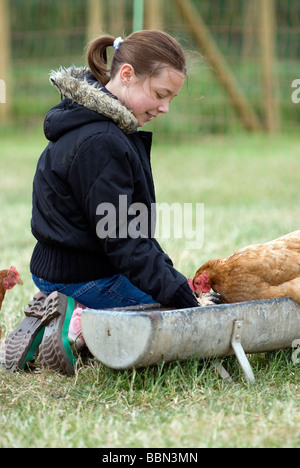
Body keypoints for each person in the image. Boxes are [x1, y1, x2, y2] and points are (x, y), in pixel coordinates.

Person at [2, 30, 201, 376]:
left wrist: (170, 276)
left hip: (62, 267)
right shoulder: (103, 142)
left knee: (167, 296)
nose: (165, 108)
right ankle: (78, 325)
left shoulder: (94, 125)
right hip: (87, 276)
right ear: (126, 75)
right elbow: (124, 240)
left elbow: (130, 229)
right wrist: (182, 298)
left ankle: (58, 317)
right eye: (159, 94)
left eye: (171, 99)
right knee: (177, 326)